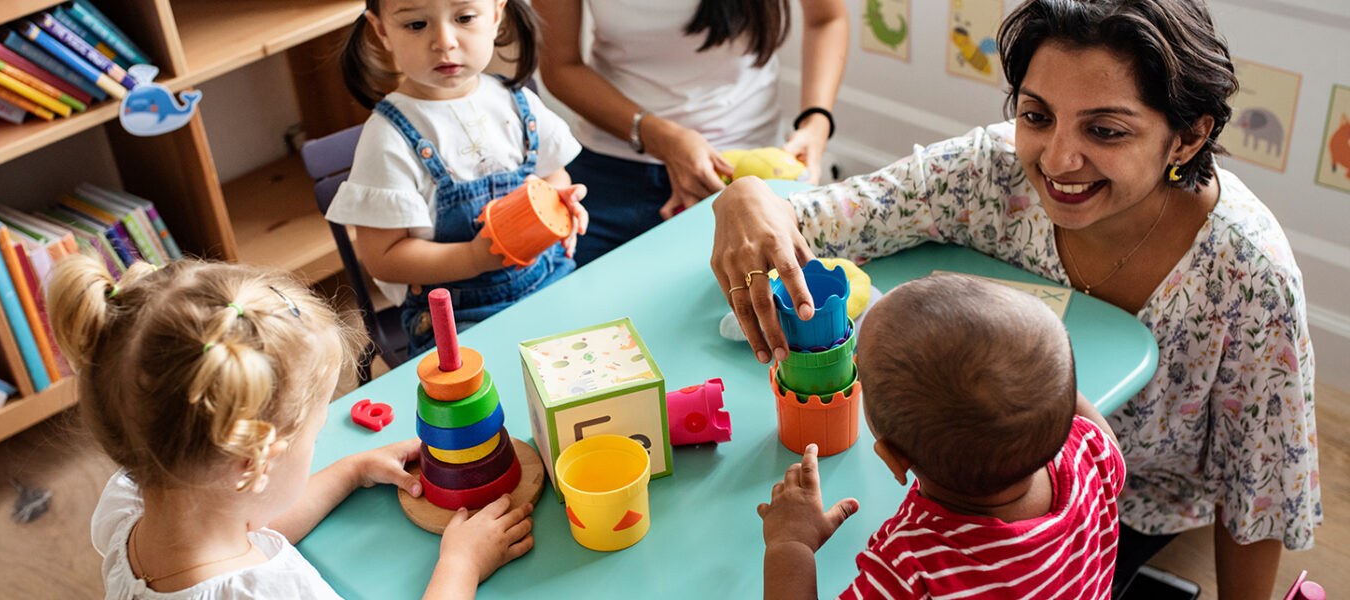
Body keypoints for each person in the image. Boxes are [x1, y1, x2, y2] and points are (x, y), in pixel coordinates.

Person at [712, 1, 1319, 598]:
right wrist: (749, 198)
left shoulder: (1249, 272)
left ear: (1188, 138)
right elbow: (829, 218)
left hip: (1134, 506)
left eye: (1104, 130)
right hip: (972, 479)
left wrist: (790, 552)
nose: (1056, 160)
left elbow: (1258, 489)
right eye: (1035, 115)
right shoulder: (987, 173)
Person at [47, 257, 534, 598]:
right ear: (253, 462)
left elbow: (248, 524)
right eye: (316, 433)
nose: (318, 442)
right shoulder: (270, 592)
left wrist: (350, 470)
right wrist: (461, 567)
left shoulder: (131, 504)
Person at [758, 273, 1126, 599]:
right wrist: (1031, 370)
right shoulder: (1090, 456)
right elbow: (1073, 410)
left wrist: (791, 545)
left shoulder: (912, 571)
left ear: (893, 458)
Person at [331, 0, 590, 357]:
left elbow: (552, 174)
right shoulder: (387, 138)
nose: (445, 41)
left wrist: (562, 202)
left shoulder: (516, 101)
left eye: (465, 18)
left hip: (551, 278)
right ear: (381, 31)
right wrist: (474, 257)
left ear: (497, 14)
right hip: (459, 316)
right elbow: (383, 258)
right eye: (417, 25)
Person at [534, 0, 848, 266]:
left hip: (747, 171)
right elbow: (560, 65)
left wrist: (816, 123)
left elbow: (827, 19)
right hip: (611, 170)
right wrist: (660, 137)